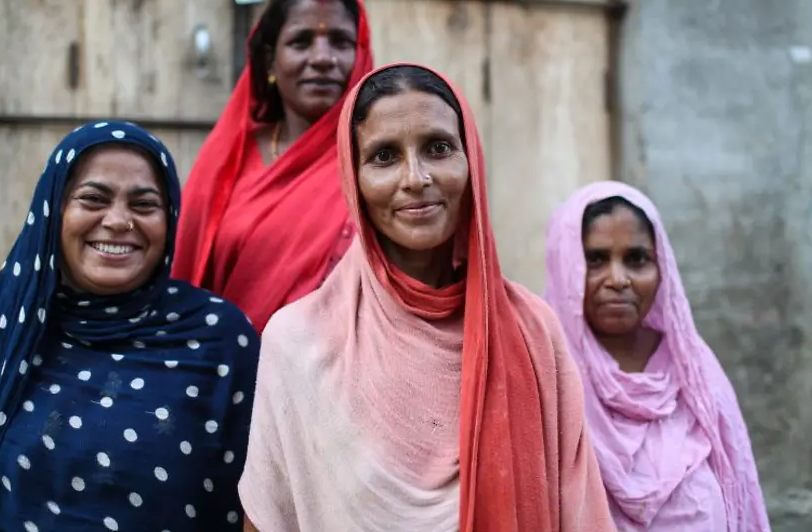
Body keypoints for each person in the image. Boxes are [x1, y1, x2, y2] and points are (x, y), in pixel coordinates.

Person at [237, 64, 616, 531]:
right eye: (384, 156)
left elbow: (578, 511)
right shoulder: (299, 341)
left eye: (438, 148)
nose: (415, 178)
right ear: (352, 176)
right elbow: (268, 517)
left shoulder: (534, 331)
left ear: (470, 161)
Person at [0, 121, 260, 531]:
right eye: (93, 199)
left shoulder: (219, 340)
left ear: (171, 217)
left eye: (144, 205)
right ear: (54, 211)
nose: (119, 221)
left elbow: (261, 504)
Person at [542, 181, 770, 531]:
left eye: (636, 259)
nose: (618, 279)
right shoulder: (544, 375)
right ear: (564, 264)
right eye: (595, 259)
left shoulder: (694, 370)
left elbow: (741, 491)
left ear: (661, 268)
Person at [172, 0, 375, 331]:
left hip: (344, 363)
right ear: (270, 61)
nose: (323, 58)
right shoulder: (229, 159)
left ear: (360, 55)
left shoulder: (380, 158)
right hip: (227, 360)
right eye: (301, 42)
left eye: (341, 42)